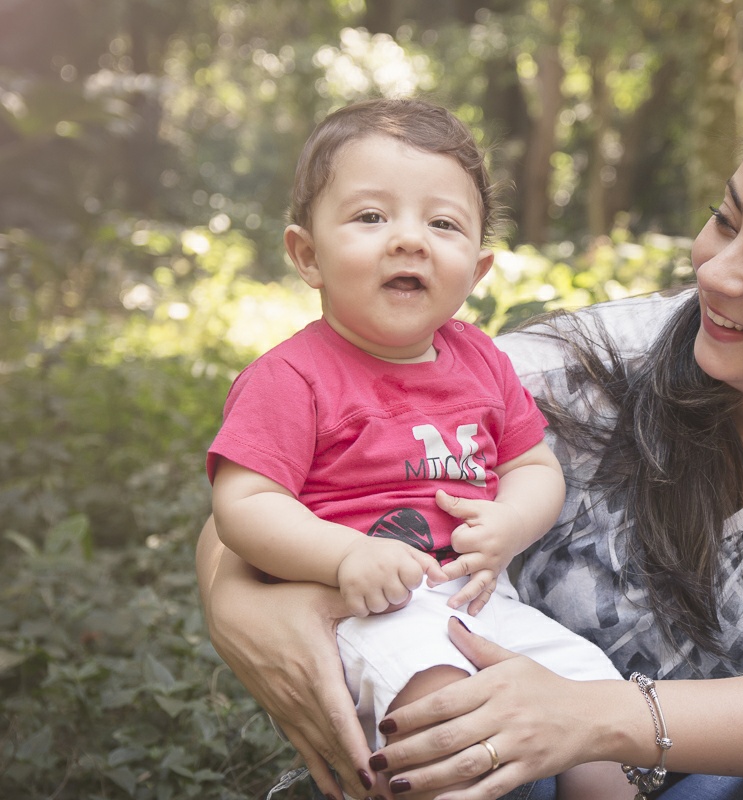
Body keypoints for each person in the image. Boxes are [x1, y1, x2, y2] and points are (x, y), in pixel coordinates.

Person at [197, 88, 743, 800]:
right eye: (725, 220)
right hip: (513, 764)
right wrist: (239, 605)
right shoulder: (583, 369)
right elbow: (276, 491)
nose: (715, 272)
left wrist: (599, 718)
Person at [205, 97, 630, 800]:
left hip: (482, 603)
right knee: (443, 712)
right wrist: (344, 555)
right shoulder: (290, 378)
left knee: (594, 705)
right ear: (307, 255)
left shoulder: (482, 360)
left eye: (443, 223)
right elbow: (243, 506)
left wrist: (510, 521)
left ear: (478, 269)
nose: (410, 240)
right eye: (372, 217)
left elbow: (532, 465)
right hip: (366, 614)